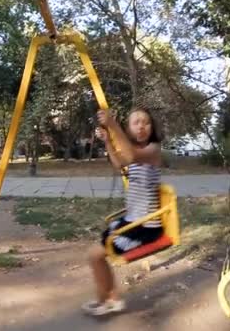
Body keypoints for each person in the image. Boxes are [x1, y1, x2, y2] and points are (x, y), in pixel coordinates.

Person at [82, 107, 164, 316]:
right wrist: (109, 140)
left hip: (146, 227)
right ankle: (112, 299)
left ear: (152, 127)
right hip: (132, 221)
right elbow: (119, 162)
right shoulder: (135, 153)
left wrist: (111, 125)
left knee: (95, 256)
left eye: (145, 122)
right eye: (135, 122)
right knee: (97, 255)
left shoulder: (153, 150)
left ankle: (106, 300)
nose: (141, 125)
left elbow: (130, 154)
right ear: (129, 128)